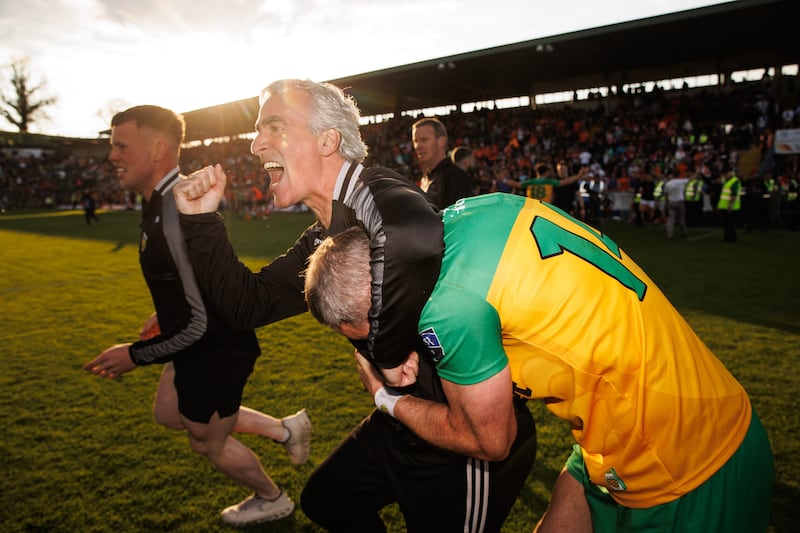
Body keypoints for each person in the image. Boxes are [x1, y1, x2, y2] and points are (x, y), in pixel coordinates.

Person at [172, 79, 537, 532]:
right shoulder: (325, 235)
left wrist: (385, 353)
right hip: (402, 421)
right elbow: (247, 305)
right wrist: (202, 221)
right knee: (328, 500)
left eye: (274, 126)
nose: (255, 144)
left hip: (461, 435)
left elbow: (414, 237)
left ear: (328, 140)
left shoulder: (374, 189)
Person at [305, 193, 775, 533]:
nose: (379, 348)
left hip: (684, 461)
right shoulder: (463, 217)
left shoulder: (447, 311)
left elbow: (489, 439)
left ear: (375, 310)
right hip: (624, 428)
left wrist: (387, 400)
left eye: (373, 338)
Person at [81, 105, 311, 527]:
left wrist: (135, 354)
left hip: (215, 347)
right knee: (169, 413)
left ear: (158, 149)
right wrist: (165, 309)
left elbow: (202, 321)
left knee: (207, 441)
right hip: (197, 339)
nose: (112, 156)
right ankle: (285, 430)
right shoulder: (159, 204)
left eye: (120, 146)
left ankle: (272, 497)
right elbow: (191, 283)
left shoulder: (175, 207)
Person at [412, 116, 474, 209]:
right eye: (415, 141)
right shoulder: (425, 178)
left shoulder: (456, 176)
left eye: (424, 140)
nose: (418, 146)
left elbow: (462, 219)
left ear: (441, 141)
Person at [717, 165, 742, 242]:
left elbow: (733, 195)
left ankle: (730, 238)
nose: (725, 175)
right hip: (726, 206)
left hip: (730, 206)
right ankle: (729, 237)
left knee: (729, 223)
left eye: (726, 173)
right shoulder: (728, 181)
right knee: (727, 223)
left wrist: (730, 205)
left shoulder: (734, 181)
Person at [663, 170, 690, 239]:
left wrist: (667, 201)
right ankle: (683, 232)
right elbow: (691, 179)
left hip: (671, 201)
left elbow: (666, 193)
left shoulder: (668, 184)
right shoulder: (681, 182)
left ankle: (670, 234)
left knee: (671, 219)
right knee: (681, 218)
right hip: (680, 201)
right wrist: (697, 172)